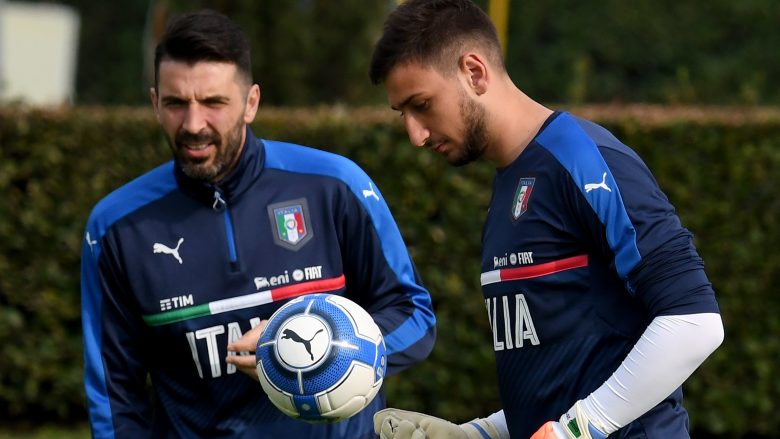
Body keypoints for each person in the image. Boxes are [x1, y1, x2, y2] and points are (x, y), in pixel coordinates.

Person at [368, 1, 724, 438]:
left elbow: (693, 322)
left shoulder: (583, 159)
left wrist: (580, 429)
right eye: (402, 114)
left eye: (421, 105)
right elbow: (564, 378)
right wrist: (482, 433)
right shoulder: (508, 185)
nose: (415, 134)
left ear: (474, 72)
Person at [80, 10, 436, 439]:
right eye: (176, 104)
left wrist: (314, 346)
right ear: (156, 103)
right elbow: (116, 396)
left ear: (251, 102)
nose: (194, 125)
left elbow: (414, 315)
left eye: (214, 103)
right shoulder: (116, 227)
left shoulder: (334, 185)